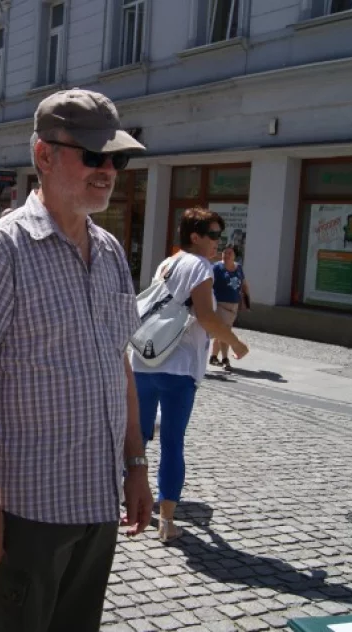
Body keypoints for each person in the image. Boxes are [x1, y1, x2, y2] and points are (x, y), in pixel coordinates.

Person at [0, 88, 153, 632]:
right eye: (92, 155)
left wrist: (135, 466)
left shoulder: (110, 252)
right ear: (44, 155)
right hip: (27, 512)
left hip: (97, 503)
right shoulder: (0, 249)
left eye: (117, 158)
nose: (108, 169)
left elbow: (120, 365)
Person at [130, 208, 250, 544]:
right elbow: (207, 318)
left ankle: (127, 501)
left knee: (135, 438)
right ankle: (166, 522)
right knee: (172, 442)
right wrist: (236, 343)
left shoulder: (168, 263)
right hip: (179, 366)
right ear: (194, 236)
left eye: (219, 237)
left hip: (145, 361)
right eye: (213, 236)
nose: (218, 243)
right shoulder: (200, 266)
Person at [210, 244, 250, 370]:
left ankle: (213, 357)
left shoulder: (238, 268)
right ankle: (226, 358)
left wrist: (247, 301)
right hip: (220, 304)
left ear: (235, 256)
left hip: (233, 305)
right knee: (224, 331)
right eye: (224, 253)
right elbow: (207, 283)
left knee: (221, 332)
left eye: (229, 253)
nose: (226, 255)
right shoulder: (217, 267)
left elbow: (244, 285)